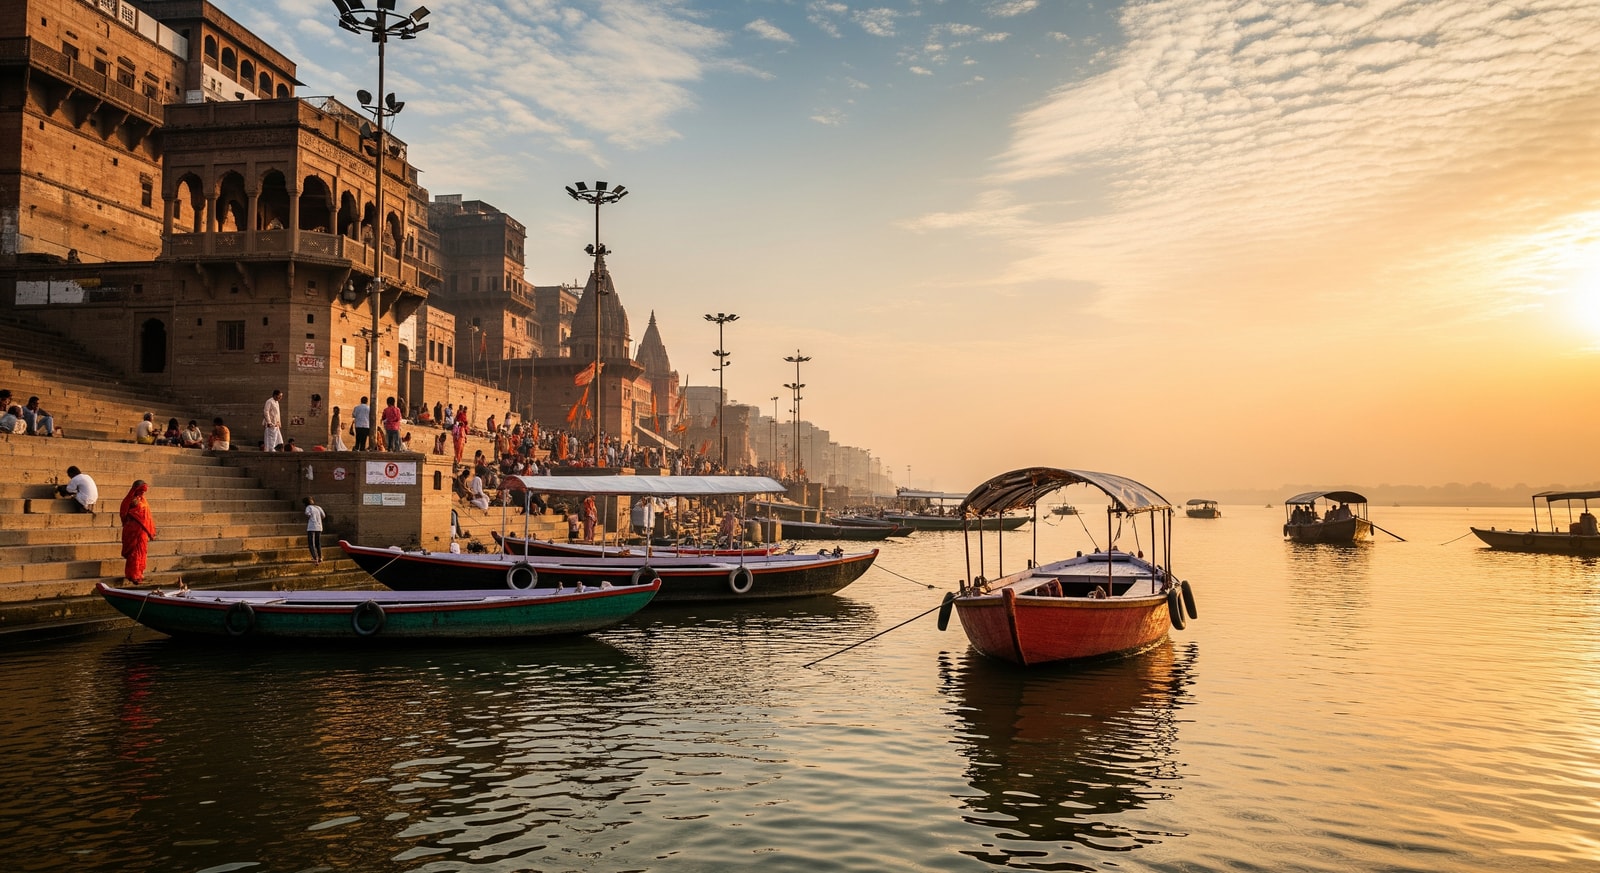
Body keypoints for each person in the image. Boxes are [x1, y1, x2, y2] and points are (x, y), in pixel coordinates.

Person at [119, 480, 156, 586]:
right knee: (134, 554)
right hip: (133, 530)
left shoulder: (143, 500)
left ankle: (139, 574)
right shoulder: (130, 500)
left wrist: (150, 529)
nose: (143, 493)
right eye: (141, 491)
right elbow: (124, 514)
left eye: (144, 492)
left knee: (142, 552)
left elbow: (147, 516)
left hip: (142, 532)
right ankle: (133, 575)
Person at [303, 497, 326, 564]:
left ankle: (314, 558)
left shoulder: (308, 507)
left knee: (311, 543)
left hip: (312, 527)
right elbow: (323, 515)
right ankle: (320, 557)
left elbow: (307, 514)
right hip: (319, 526)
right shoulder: (318, 507)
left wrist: (311, 517)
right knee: (318, 543)